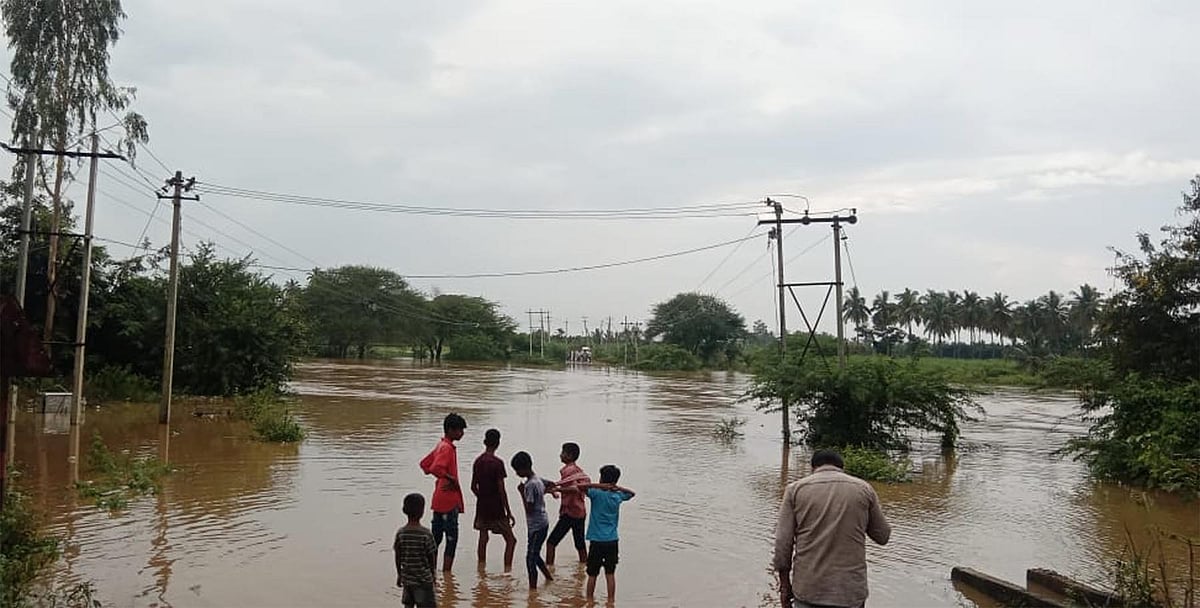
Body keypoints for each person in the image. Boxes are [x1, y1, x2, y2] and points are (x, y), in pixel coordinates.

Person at [773, 449, 892, 608]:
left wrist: (785, 586)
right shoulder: (864, 489)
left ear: (813, 468)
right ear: (842, 468)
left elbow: (783, 543)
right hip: (849, 591)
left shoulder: (795, 490)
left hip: (809, 589)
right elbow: (883, 536)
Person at [579, 464, 636, 603]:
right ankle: (611, 601)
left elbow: (581, 486)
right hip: (612, 540)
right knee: (610, 574)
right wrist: (616, 488)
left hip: (597, 541)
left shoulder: (596, 494)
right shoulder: (617, 496)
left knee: (592, 574)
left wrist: (600, 487)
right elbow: (631, 493)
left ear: (601, 479)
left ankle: (590, 601)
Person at [419, 412, 467, 572]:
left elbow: (425, 465)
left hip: (438, 499)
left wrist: (442, 478)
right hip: (448, 500)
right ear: (451, 430)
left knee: (436, 538)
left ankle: (431, 571)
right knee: (451, 539)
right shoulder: (447, 448)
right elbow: (434, 468)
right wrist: (450, 478)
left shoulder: (441, 445)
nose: (462, 434)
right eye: (460, 430)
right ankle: (447, 574)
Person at [470, 428, 517, 569]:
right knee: (511, 540)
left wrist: (482, 498)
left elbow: (473, 487)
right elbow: (501, 490)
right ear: (497, 443)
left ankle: (481, 569)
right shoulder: (497, 463)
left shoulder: (478, 461)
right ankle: (507, 570)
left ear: (485, 442)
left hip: (482, 505)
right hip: (496, 506)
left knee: (483, 537)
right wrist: (508, 511)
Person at [510, 450, 555, 589]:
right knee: (535, 554)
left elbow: (529, 509)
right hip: (541, 522)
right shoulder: (538, 479)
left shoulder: (530, 485)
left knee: (530, 559)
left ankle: (532, 590)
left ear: (523, 468)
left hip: (536, 525)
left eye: (517, 470)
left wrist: (521, 493)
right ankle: (549, 579)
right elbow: (551, 483)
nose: (517, 474)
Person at [546, 441, 591, 566]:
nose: (560, 455)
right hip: (580, 512)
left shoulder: (568, 471)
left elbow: (574, 488)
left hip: (570, 512)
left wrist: (557, 489)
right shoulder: (578, 470)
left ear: (569, 456)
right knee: (580, 544)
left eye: (563, 453)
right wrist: (556, 492)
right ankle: (584, 570)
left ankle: (549, 570)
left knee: (551, 542)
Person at [394, 493, 437, 608]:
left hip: (407, 580)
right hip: (423, 581)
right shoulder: (426, 534)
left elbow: (397, 556)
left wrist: (399, 574)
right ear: (422, 511)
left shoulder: (401, 533)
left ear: (404, 510)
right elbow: (431, 556)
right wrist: (433, 574)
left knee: (408, 605)